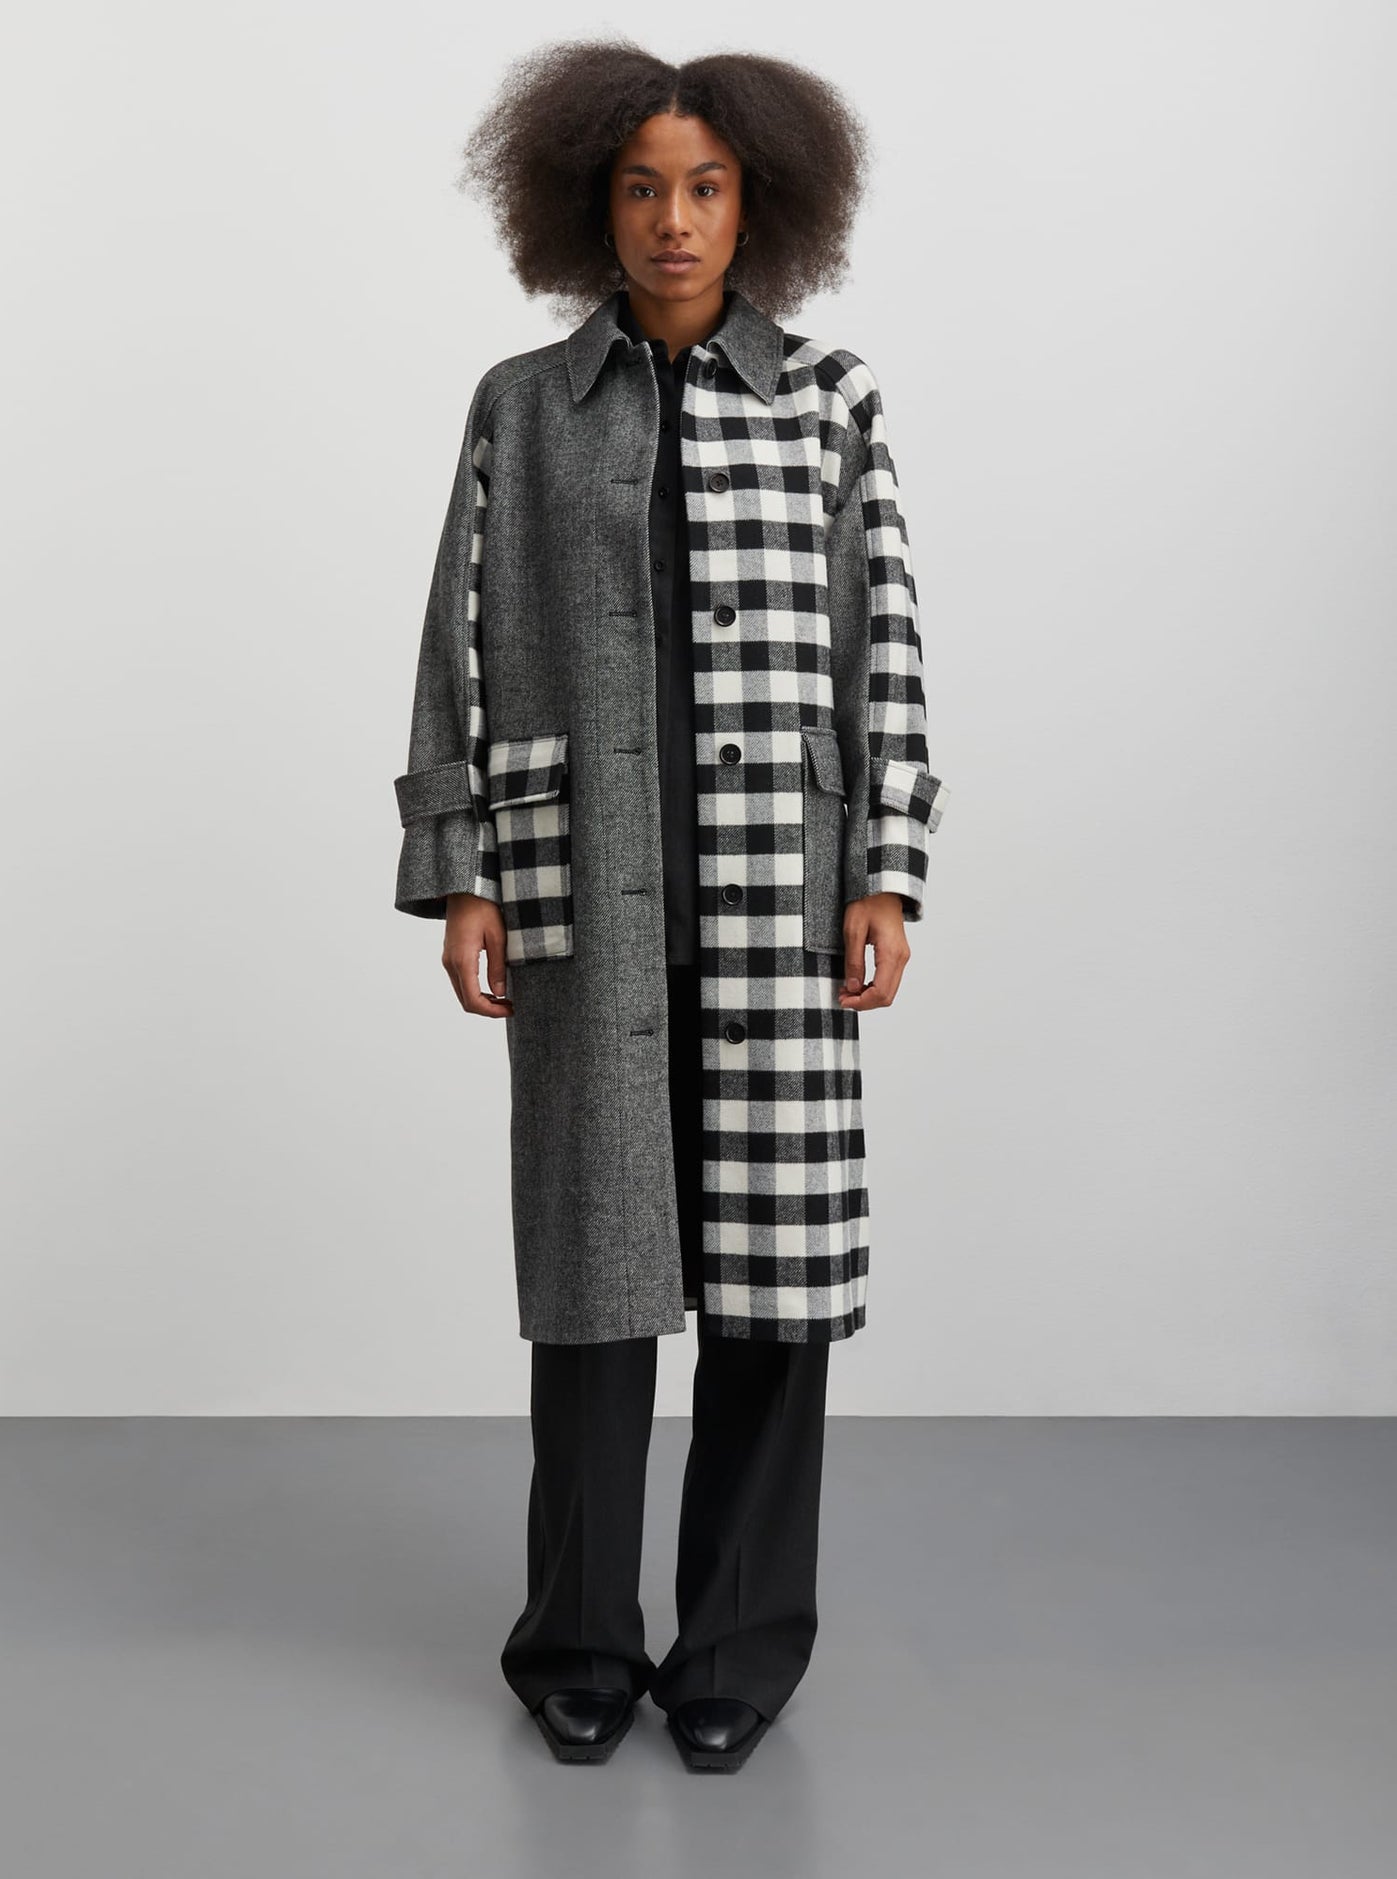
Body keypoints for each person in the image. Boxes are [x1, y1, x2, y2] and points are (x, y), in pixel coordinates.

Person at [391, 42, 949, 1772]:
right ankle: (574, 1637)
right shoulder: (521, 404)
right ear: (591, 205)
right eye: (641, 187)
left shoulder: (831, 398)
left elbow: (883, 637)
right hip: (583, 894)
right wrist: (460, 870)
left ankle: (736, 1651)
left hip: (777, 899)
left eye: (704, 186)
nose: (674, 219)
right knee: (595, 1286)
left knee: (771, 1298)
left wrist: (886, 864)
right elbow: (455, 641)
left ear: (757, 203)